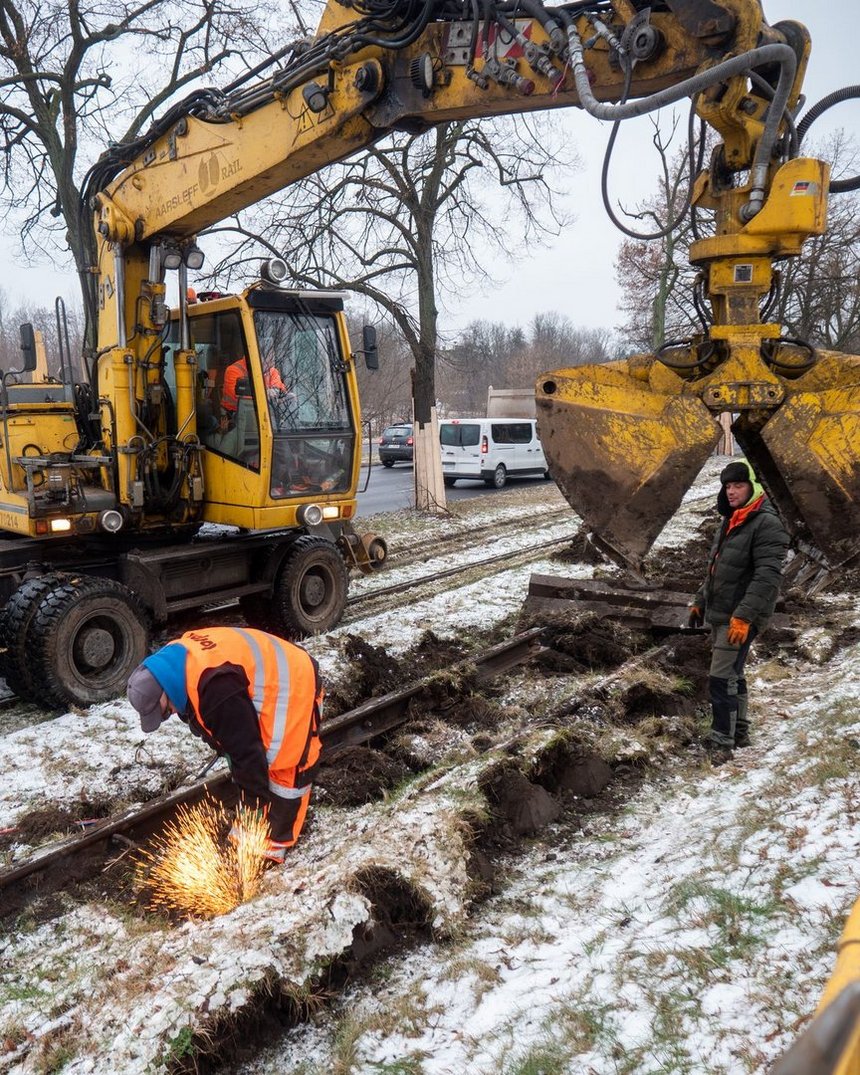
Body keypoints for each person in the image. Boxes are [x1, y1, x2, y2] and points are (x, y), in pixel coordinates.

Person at [127, 626, 323, 861]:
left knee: (285, 763)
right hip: (267, 674)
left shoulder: (216, 688)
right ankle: (248, 832)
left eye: (164, 710)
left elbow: (247, 752)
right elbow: (204, 719)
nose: (168, 714)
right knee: (253, 771)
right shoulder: (173, 663)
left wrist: (254, 803)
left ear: (164, 690)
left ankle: (271, 848)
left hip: (294, 681)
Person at [688, 460, 790, 764]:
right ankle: (740, 733)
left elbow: (767, 577)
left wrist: (744, 616)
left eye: (738, 485)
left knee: (720, 679)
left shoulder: (767, 523)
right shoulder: (732, 519)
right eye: (728, 486)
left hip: (742, 617)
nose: (731, 491)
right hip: (723, 612)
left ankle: (722, 742)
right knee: (734, 674)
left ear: (754, 487)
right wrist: (699, 600)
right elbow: (717, 569)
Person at [221, 351, 287, 415]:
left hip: (262, 413)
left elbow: (280, 389)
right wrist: (266, 395)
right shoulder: (233, 370)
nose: (270, 362)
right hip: (234, 414)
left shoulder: (271, 371)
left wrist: (277, 393)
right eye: (267, 357)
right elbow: (237, 397)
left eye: (271, 358)